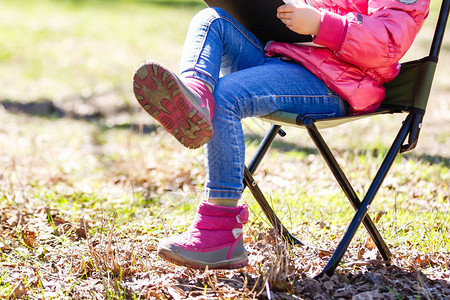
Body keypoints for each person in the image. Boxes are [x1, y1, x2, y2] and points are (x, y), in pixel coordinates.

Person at [132, 0, 430, 269]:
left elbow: (389, 42)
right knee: (212, 20)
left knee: (227, 96)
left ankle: (221, 235)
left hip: (335, 83)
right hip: (285, 55)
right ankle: (196, 97)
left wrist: (321, 25)